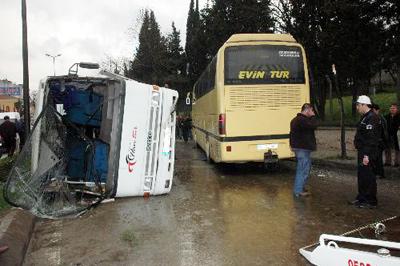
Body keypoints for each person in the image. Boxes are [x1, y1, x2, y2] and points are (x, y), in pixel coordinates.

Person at [351, 95, 380, 208]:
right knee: (362, 175)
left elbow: (371, 139)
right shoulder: (365, 117)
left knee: (368, 176)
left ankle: (371, 201)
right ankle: (362, 198)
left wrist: (367, 155)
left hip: (368, 152)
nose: (357, 107)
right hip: (363, 151)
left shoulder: (372, 118)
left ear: (364, 105)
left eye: (358, 105)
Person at [289, 103, 317, 197]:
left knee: (304, 168)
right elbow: (314, 126)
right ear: (307, 110)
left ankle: (300, 187)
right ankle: (298, 190)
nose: (312, 112)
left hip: (300, 148)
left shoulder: (295, 120)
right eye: (311, 110)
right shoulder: (302, 120)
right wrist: (313, 117)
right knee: (302, 169)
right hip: (303, 148)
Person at [371, 104, 388, 178]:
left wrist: (383, 141)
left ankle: (380, 173)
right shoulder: (374, 118)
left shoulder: (380, 119)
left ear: (377, 110)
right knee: (375, 158)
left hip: (379, 142)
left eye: (373, 110)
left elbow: (384, 131)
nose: (372, 111)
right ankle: (376, 173)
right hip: (376, 141)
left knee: (378, 158)